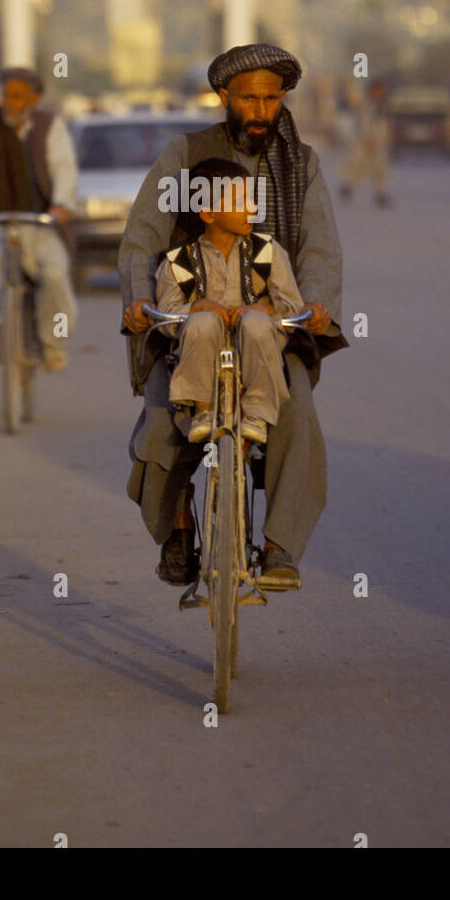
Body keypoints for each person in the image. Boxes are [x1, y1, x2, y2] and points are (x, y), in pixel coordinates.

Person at [120, 42, 347, 589]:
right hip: (185, 320)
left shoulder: (301, 165)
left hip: (267, 324)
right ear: (224, 96)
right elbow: (141, 239)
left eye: (272, 99)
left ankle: (278, 548)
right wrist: (138, 304)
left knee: (297, 417)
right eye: (250, 99)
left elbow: (319, 249)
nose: (262, 111)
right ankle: (177, 525)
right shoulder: (185, 155)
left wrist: (314, 308)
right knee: (162, 424)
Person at [156, 157, 305, 451]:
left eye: (251, 199)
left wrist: (268, 310)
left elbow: (292, 307)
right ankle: (202, 408)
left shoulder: (268, 252)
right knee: (202, 322)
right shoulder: (178, 262)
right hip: (201, 357)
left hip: (259, 352)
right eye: (240, 201)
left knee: (256, 323)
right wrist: (194, 309)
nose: (251, 208)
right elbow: (166, 316)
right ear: (208, 213)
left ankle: (258, 412)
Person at [0, 68, 78, 371]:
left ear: (34, 100)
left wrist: (61, 205)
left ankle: (51, 343)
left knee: (54, 274)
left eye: (17, 96)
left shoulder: (50, 127)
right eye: (6, 95)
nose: (10, 102)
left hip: (40, 222)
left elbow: (64, 169)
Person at [339, 80, 392, 206]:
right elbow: (364, 123)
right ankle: (348, 187)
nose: (381, 92)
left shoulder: (382, 104)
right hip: (366, 142)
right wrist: (369, 139)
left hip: (377, 142)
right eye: (378, 90)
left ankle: (379, 194)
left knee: (379, 169)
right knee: (361, 167)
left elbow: (383, 125)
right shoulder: (367, 104)